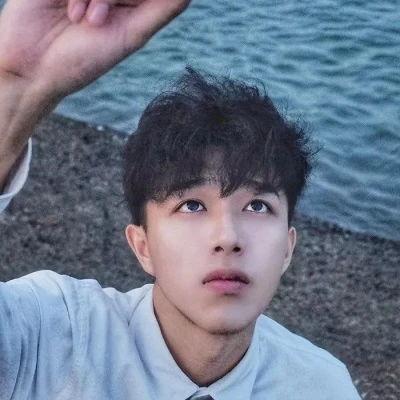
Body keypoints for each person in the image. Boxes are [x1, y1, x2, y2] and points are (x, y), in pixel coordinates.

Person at [0, 0, 362, 399]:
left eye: (257, 206)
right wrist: (15, 87)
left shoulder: (323, 387)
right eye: (192, 205)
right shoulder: (51, 335)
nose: (228, 237)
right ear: (143, 246)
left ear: (288, 248)